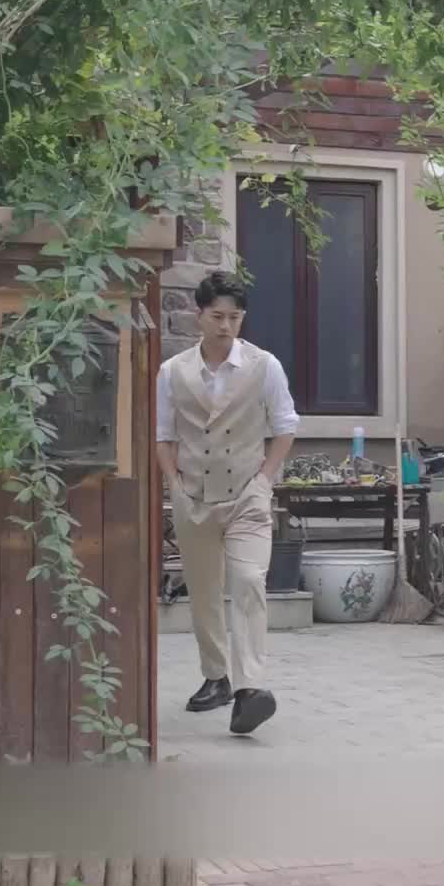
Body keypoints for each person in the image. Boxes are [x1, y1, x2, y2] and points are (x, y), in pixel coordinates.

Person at [156, 270, 299, 736]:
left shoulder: (265, 365)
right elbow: (163, 436)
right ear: (199, 315)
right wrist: (174, 485)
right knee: (203, 593)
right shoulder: (172, 372)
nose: (226, 326)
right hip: (193, 496)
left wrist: (264, 481)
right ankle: (216, 677)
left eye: (234, 317)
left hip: (247, 496)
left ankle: (249, 688)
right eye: (217, 316)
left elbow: (285, 426)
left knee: (250, 581)